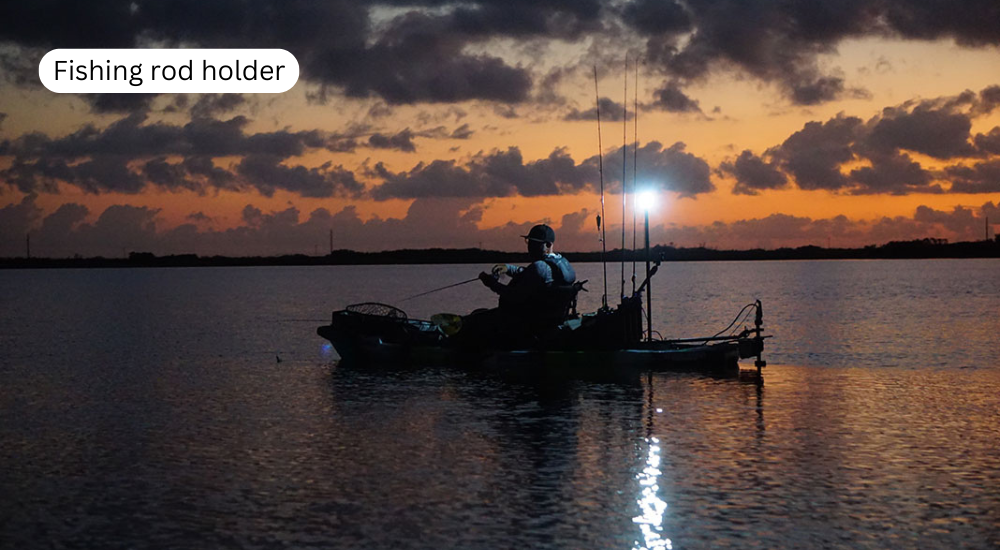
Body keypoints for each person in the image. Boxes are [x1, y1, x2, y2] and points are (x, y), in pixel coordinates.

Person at [457, 224, 578, 347]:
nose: (530, 247)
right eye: (529, 242)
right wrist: (508, 268)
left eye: (534, 244)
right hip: (548, 319)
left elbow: (514, 296)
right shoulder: (563, 264)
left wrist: (492, 284)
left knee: (475, 320)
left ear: (547, 245)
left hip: (527, 322)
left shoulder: (539, 267)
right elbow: (532, 275)